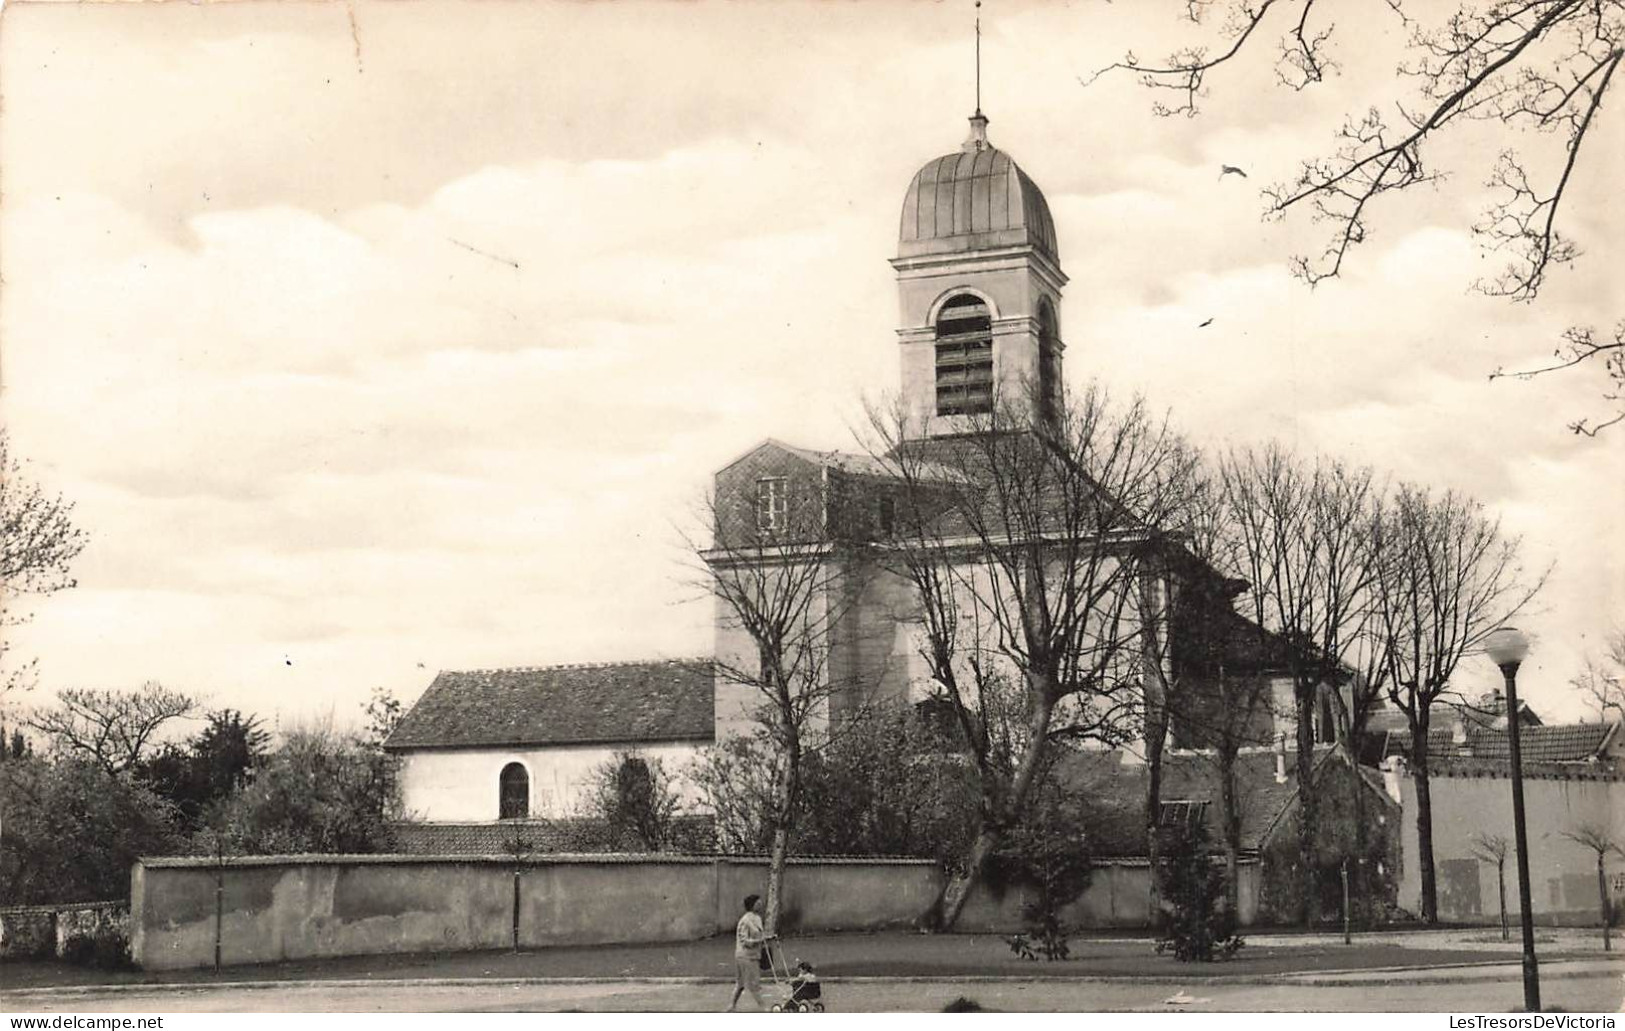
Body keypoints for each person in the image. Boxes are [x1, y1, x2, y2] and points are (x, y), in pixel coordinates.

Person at [727, 892, 768, 1012]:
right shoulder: (745, 920)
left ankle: (731, 1006)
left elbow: (760, 934)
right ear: (752, 905)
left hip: (753, 955)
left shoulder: (758, 918)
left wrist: (767, 938)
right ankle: (764, 1007)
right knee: (752, 983)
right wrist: (759, 940)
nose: (761, 905)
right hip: (745, 955)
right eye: (758, 903)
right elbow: (744, 940)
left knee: (742, 984)